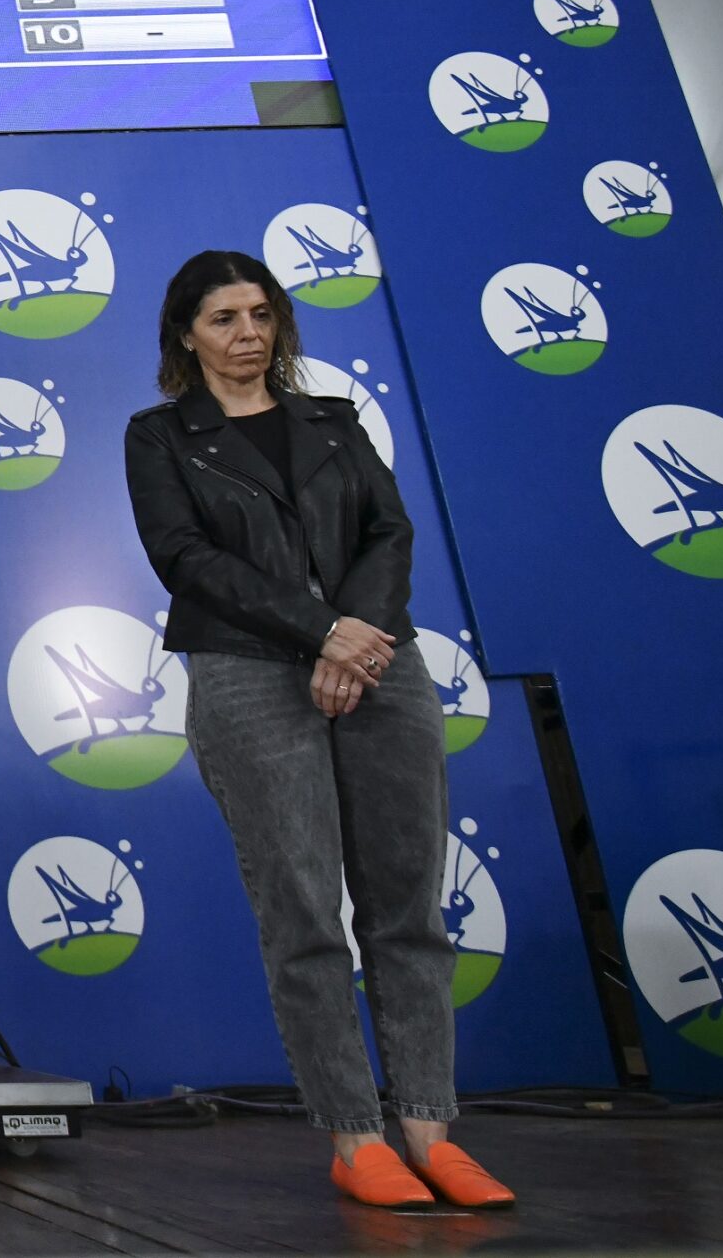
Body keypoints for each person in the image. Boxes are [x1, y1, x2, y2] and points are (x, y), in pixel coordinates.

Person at [123, 250, 513, 1211]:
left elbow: (390, 533)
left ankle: (429, 1130)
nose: (247, 334)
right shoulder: (160, 435)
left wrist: (358, 638)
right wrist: (320, 632)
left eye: (261, 314)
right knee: (302, 914)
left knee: (408, 909)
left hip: (382, 666)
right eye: (224, 319)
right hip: (248, 672)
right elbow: (185, 557)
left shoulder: (335, 420)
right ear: (186, 335)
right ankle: (354, 1137)